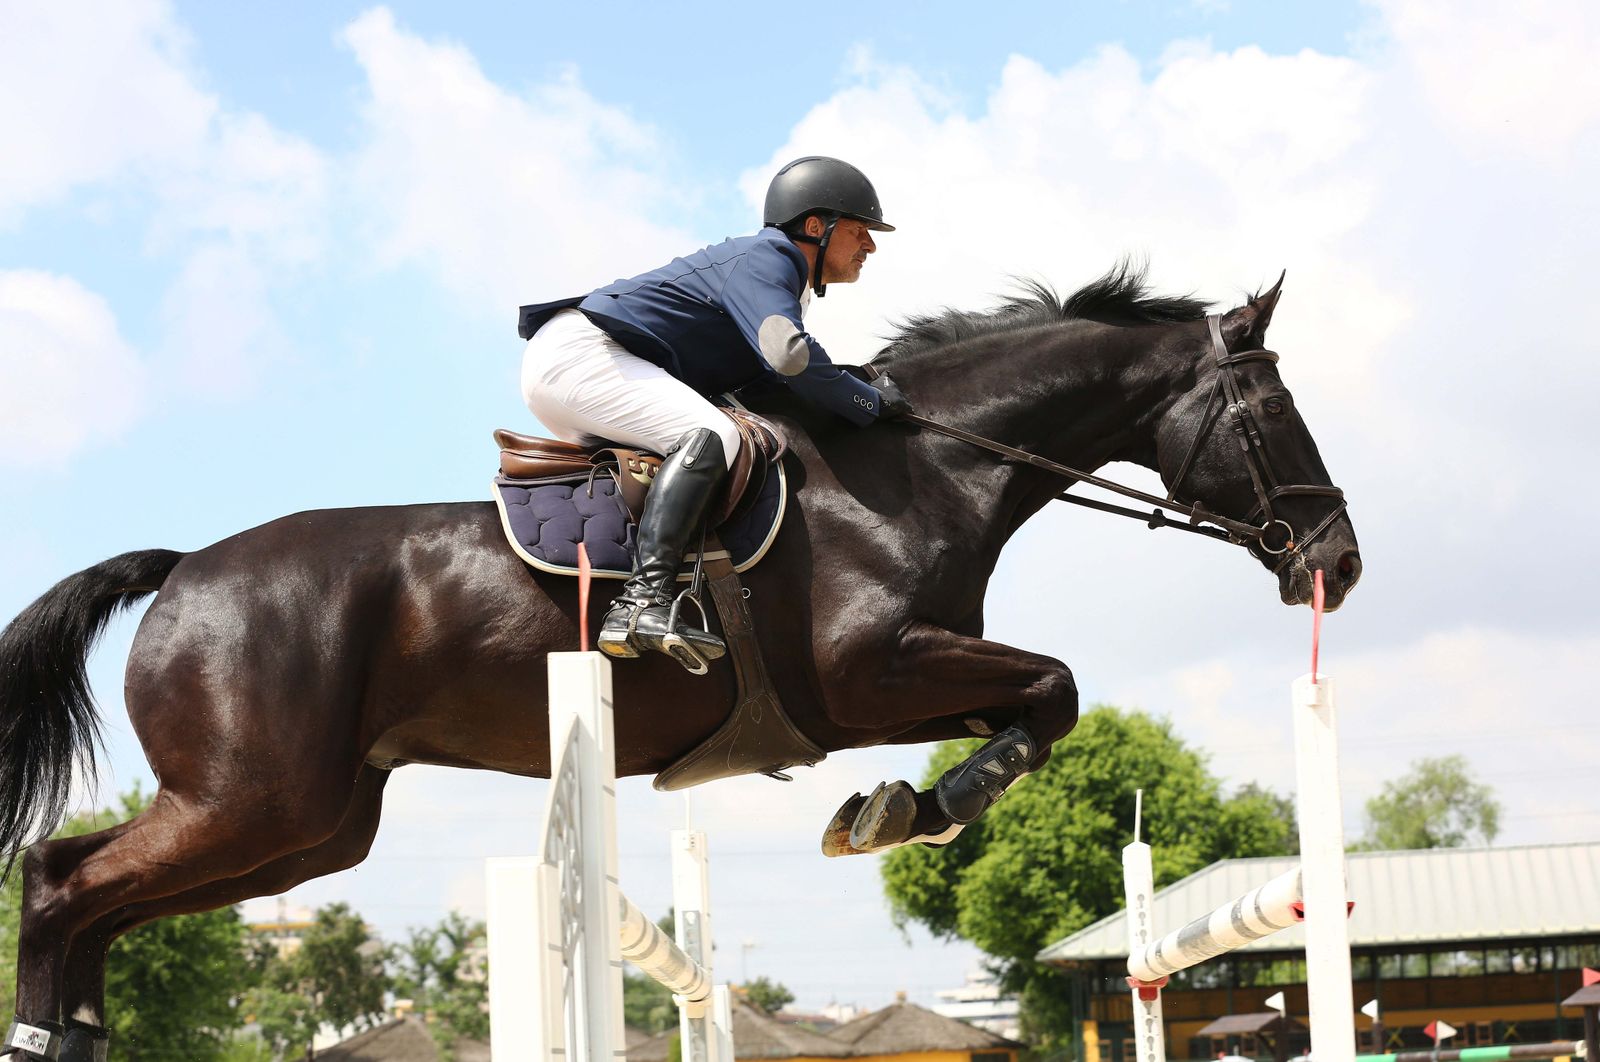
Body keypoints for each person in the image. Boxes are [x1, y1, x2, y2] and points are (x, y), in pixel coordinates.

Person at [516, 156, 914, 670]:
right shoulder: (768, 259)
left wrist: (851, 384)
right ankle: (642, 603)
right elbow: (792, 359)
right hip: (583, 356)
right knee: (712, 434)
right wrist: (869, 402)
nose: (871, 245)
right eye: (861, 231)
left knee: (718, 434)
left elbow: (773, 382)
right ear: (817, 227)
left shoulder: (779, 280)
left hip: (582, 364)